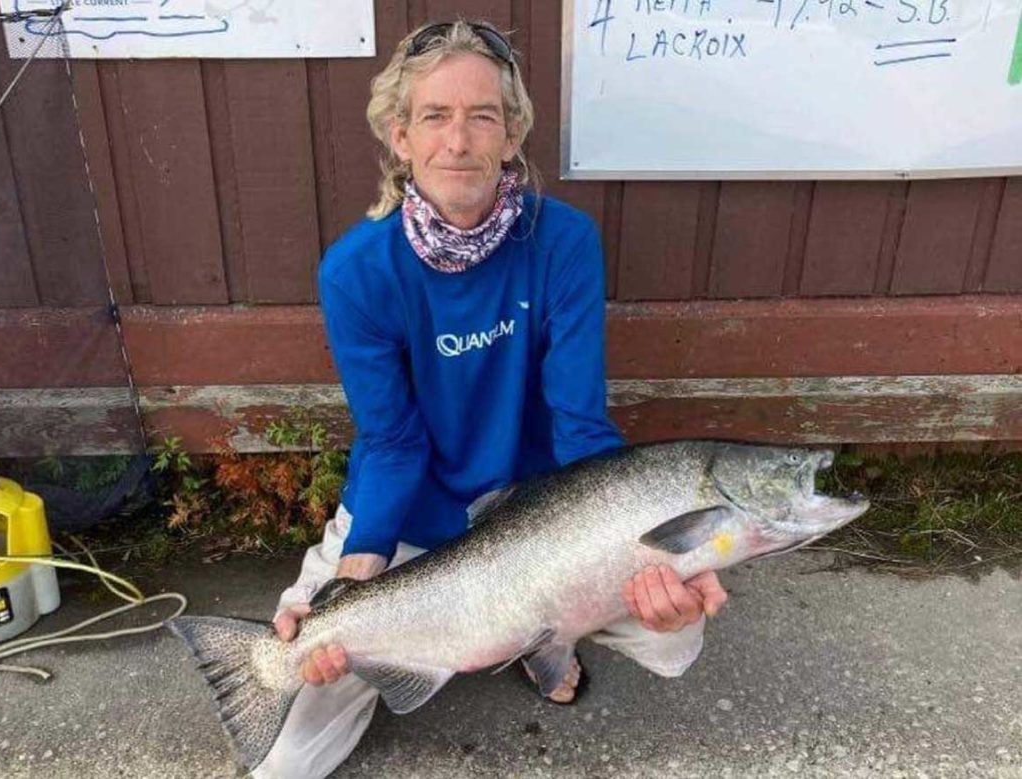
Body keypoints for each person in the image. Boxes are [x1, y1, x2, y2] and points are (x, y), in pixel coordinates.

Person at [255, 20, 728, 779]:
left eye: (483, 116)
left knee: (675, 632)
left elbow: (579, 424)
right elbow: (391, 443)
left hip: (535, 523)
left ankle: (539, 639)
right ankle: (449, 637)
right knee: (287, 731)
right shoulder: (355, 271)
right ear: (400, 137)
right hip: (410, 515)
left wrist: (659, 549)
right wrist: (356, 577)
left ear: (512, 136)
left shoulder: (563, 241)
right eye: (434, 116)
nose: (458, 140)